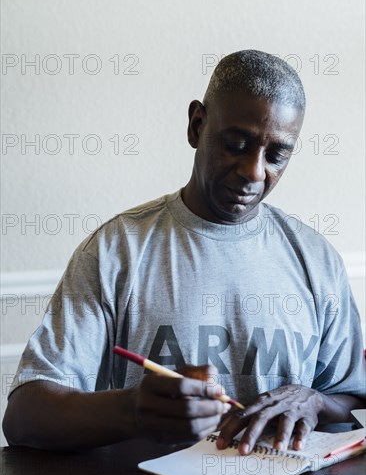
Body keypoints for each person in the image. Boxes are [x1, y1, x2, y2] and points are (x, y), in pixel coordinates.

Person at [3, 50, 365, 454]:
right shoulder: (116, 250)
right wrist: (131, 410)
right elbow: (24, 417)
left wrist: (314, 400)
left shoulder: (316, 259)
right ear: (196, 125)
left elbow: (350, 399)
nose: (254, 171)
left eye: (277, 154)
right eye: (236, 144)